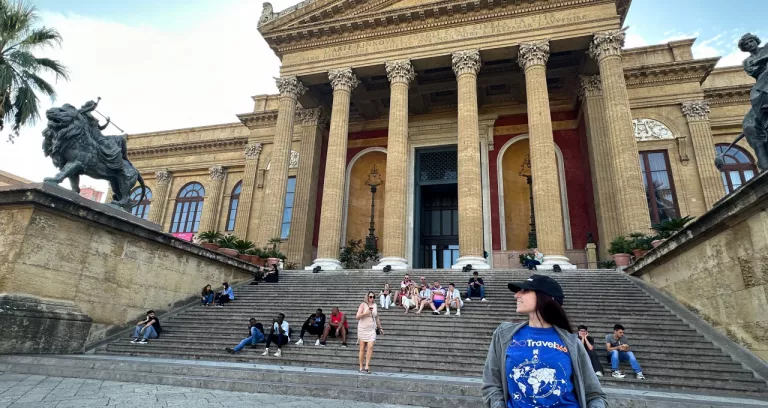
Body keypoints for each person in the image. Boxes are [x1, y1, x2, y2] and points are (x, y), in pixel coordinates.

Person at [482, 274, 606, 408]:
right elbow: (491, 384)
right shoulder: (504, 334)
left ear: (544, 297)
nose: (516, 295)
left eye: (525, 291)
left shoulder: (572, 342)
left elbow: (594, 395)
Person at [356, 291, 383, 374]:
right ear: (367, 297)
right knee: (362, 348)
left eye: (373, 297)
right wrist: (366, 313)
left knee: (370, 346)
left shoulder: (375, 305)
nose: (372, 298)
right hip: (362, 329)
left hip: (371, 329)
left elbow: (376, 317)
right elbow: (357, 316)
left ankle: (367, 366)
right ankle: (361, 367)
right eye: (370, 297)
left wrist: (380, 327)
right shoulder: (363, 305)